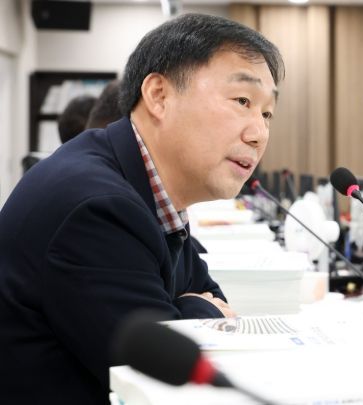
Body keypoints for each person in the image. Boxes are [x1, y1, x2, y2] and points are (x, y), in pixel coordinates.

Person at [0, 13, 283, 404]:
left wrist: (189, 307)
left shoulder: (146, 188)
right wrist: (196, 308)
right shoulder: (97, 207)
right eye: (242, 101)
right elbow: (168, 378)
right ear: (159, 96)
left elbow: (206, 296)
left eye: (267, 113)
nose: (259, 134)